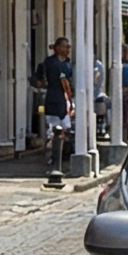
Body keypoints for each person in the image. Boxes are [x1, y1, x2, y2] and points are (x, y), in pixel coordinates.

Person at [33, 37, 77, 178]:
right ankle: (54, 159)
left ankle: (58, 157)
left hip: (58, 100)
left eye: (68, 47)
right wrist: (70, 99)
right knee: (56, 129)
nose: (68, 49)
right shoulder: (53, 63)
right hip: (56, 100)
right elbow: (64, 81)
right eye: (65, 46)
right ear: (58, 48)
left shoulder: (65, 63)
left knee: (60, 129)